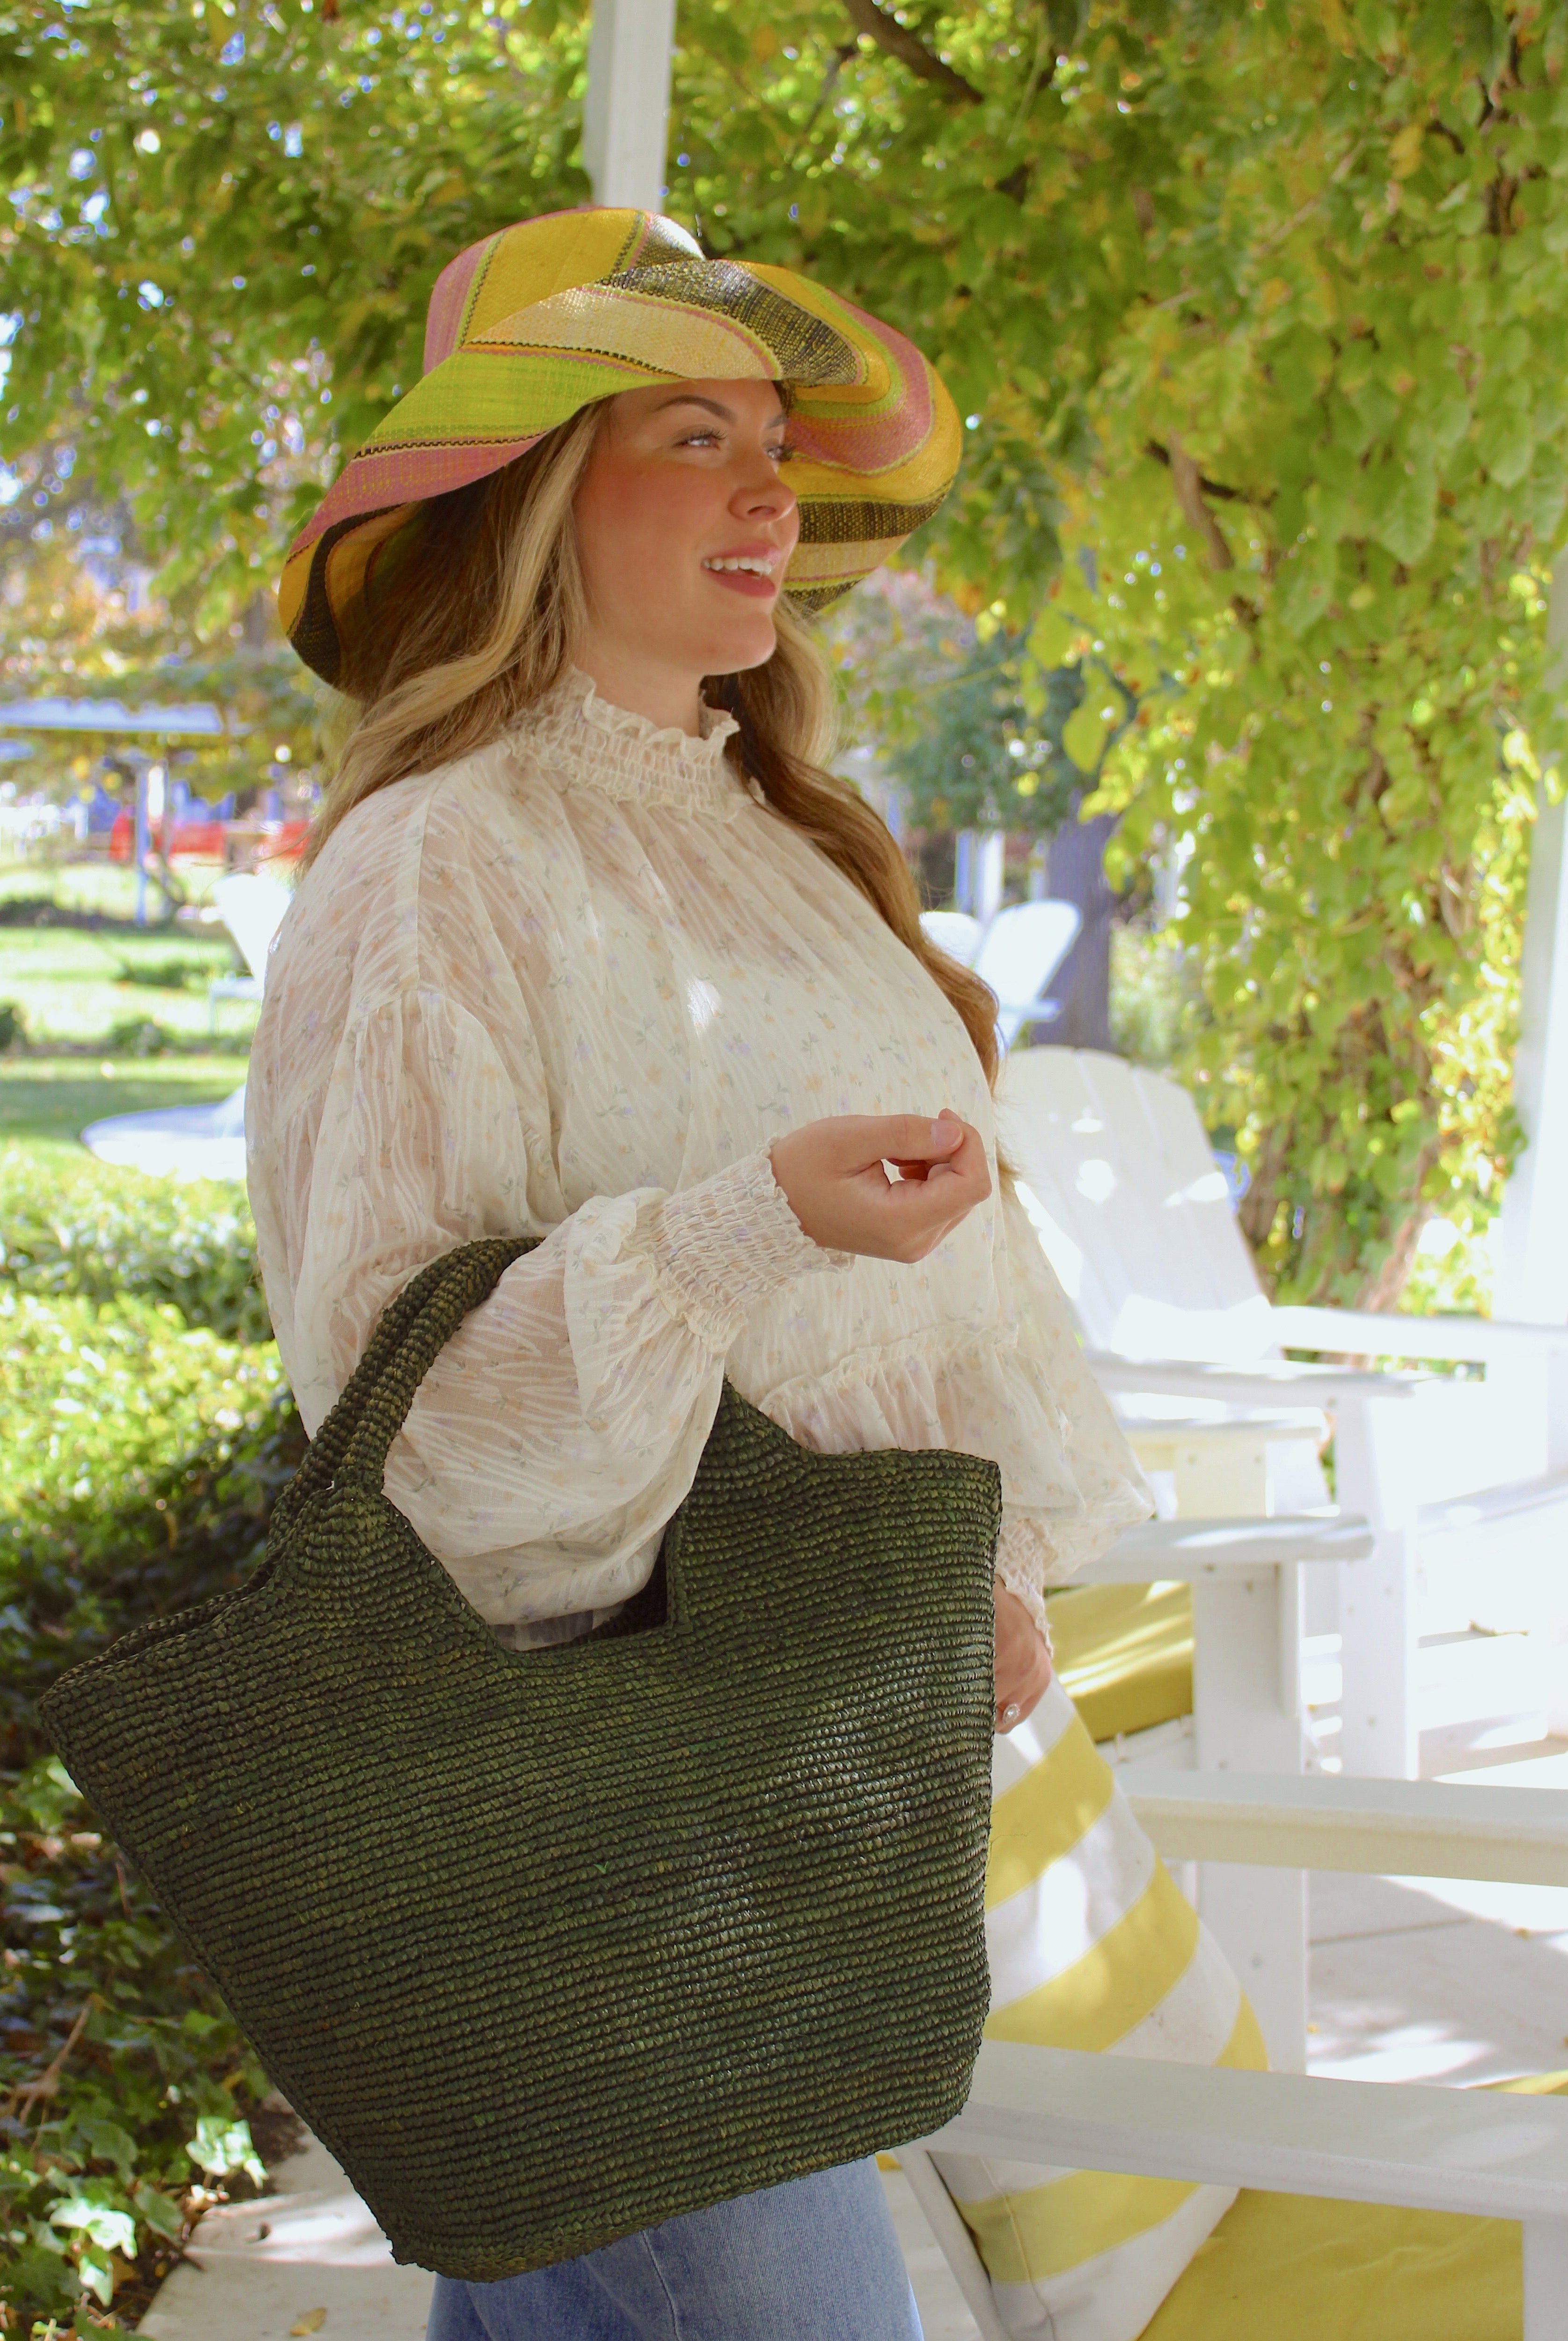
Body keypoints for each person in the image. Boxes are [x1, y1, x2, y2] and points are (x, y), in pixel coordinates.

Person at [249, 207, 1148, 2341]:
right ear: (543, 493)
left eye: (774, 445)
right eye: (691, 435)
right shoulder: (436, 863)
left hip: (791, 1794)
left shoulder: (787, 836)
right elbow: (408, 1401)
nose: (770, 495)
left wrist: (977, 1562)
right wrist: (756, 1218)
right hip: (599, 1836)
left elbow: (929, 1307)